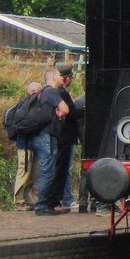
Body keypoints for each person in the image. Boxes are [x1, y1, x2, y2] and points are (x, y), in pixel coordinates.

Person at [33, 68, 70, 215]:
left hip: (46, 135)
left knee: (49, 169)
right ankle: (42, 206)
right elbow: (65, 109)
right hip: (46, 136)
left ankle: (46, 204)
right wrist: (61, 114)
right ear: (54, 77)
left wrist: (60, 115)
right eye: (60, 76)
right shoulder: (51, 92)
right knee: (48, 170)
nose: (64, 78)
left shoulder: (45, 93)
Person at [52, 63, 82, 211]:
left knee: (60, 168)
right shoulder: (62, 92)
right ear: (67, 78)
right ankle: (58, 200)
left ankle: (59, 199)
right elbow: (73, 113)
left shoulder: (53, 91)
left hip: (59, 135)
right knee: (62, 168)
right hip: (65, 136)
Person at [12, 80, 43, 210]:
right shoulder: (28, 105)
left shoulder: (25, 104)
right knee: (24, 171)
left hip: (30, 144)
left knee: (31, 172)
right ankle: (19, 201)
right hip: (25, 145)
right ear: (34, 92)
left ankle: (27, 199)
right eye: (40, 92)